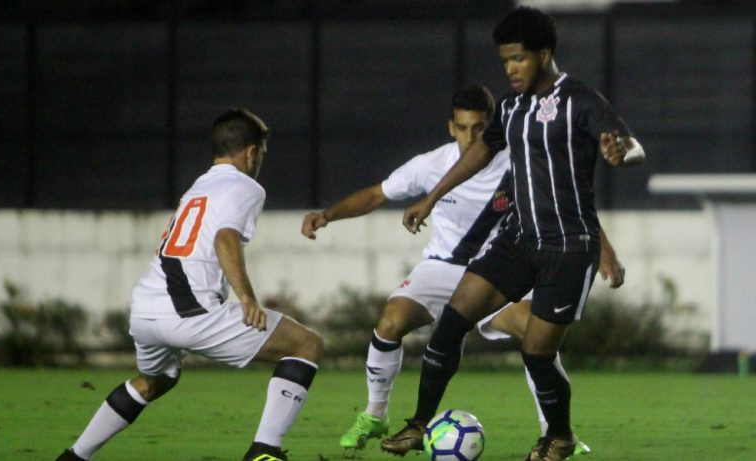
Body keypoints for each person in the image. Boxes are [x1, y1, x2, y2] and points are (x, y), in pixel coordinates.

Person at [300, 85, 623, 455]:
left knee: (535, 336)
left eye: (479, 128)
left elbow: (568, 199)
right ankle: (375, 415)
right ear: (451, 127)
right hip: (443, 266)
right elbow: (376, 194)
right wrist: (327, 215)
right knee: (390, 322)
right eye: (463, 127)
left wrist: (605, 251)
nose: (471, 136)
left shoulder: (516, 160)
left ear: (492, 126)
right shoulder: (431, 164)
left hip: (502, 269)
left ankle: (555, 431)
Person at [385, 6, 645, 461]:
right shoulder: (509, 107)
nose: (510, 69)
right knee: (451, 322)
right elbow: (480, 154)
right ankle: (420, 423)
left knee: (537, 354)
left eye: (519, 59)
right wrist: (431, 196)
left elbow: (631, 144)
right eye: (505, 60)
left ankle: (559, 437)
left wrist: (621, 152)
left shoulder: (580, 100)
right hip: (519, 239)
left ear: (544, 54)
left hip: (567, 247)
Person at [56, 108, 323, 461]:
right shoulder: (245, 186)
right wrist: (247, 299)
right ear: (251, 152)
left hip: (146, 310)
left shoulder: (199, 185)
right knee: (306, 345)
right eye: (263, 152)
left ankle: (75, 457)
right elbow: (225, 238)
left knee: (155, 381)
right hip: (188, 310)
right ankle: (264, 451)